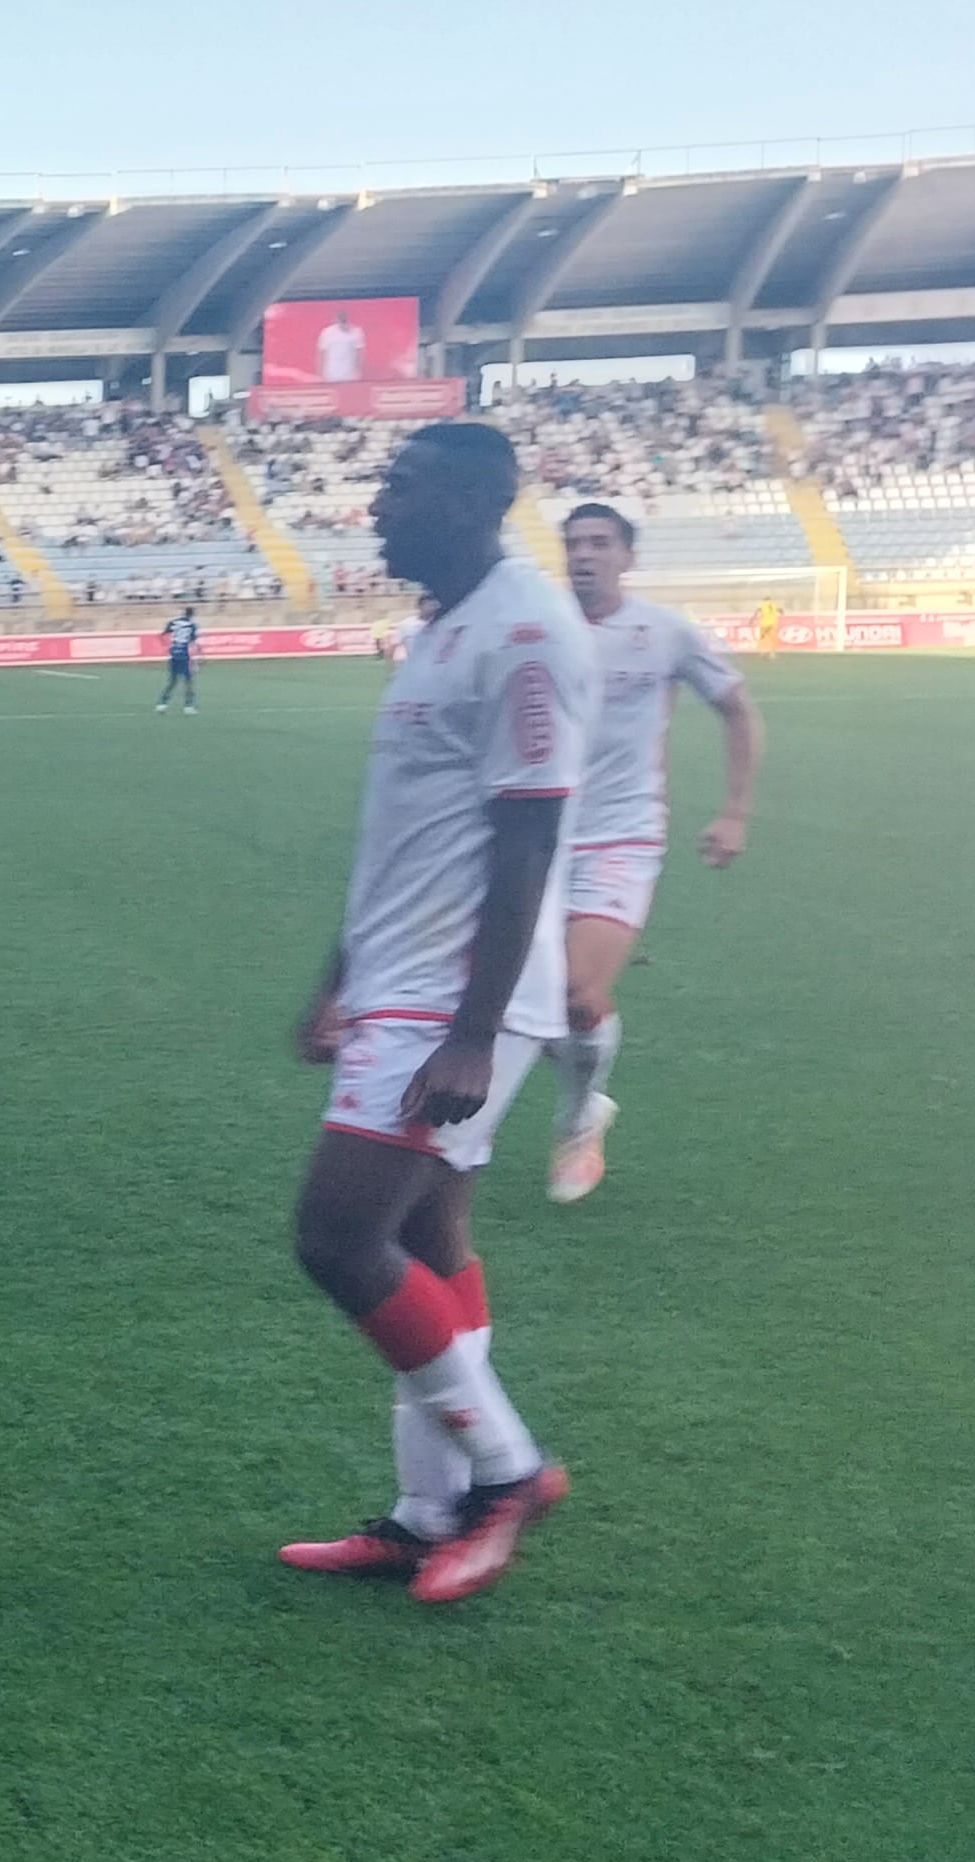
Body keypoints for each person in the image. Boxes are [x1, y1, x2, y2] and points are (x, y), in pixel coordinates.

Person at [273, 422, 584, 1604]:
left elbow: (527, 833)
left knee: (338, 1236)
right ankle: (422, 1512)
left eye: (398, 488)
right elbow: (403, 839)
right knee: (425, 1244)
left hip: (455, 998)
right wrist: (337, 974)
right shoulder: (447, 627)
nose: (375, 508)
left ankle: (503, 1473)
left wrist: (469, 1028)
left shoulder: (524, 630)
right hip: (401, 984)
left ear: (468, 499)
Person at [544, 502, 764, 1205]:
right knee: (515, 1001)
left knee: (577, 996)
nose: (585, 554)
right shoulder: (537, 628)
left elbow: (737, 708)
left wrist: (734, 811)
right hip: (532, 839)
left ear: (627, 556)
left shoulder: (664, 632)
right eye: (574, 543)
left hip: (622, 836)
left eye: (600, 543)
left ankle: (581, 1117)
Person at [158, 605, 202, 713]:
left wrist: (169, 646)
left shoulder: (173, 622)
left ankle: (162, 704)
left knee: (173, 681)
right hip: (184, 655)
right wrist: (194, 661)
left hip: (174, 654)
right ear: (192, 615)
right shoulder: (192, 625)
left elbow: (162, 635)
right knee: (188, 681)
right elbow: (192, 644)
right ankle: (188, 706)